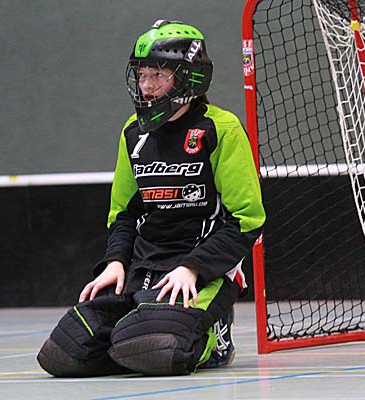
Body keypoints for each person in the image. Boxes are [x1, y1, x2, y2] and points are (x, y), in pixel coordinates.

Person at [37, 19, 265, 377]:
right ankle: (142, 332)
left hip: (200, 271)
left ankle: (215, 335)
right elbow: (123, 213)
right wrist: (115, 262)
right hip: (143, 268)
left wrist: (193, 267)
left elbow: (247, 220)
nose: (146, 85)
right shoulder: (133, 132)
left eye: (158, 75)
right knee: (64, 353)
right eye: (142, 75)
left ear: (189, 76)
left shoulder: (221, 129)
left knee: (155, 349)